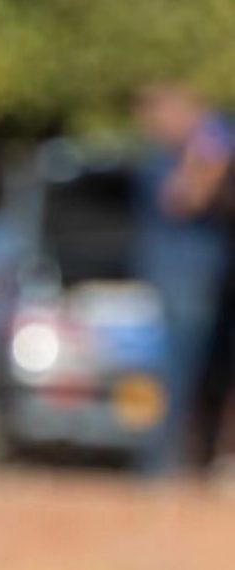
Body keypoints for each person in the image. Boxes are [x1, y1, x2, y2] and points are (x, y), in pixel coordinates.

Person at [132, 84, 234, 475]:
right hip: (185, 282)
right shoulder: (165, 159)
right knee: (177, 378)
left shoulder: (204, 140)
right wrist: (206, 155)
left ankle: (192, 462)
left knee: (206, 375)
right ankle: (161, 468)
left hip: (208, 280)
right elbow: (186, 196)